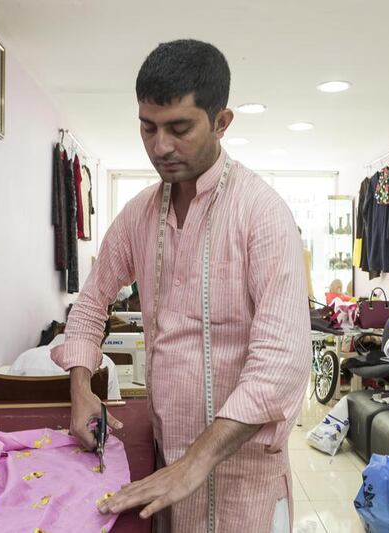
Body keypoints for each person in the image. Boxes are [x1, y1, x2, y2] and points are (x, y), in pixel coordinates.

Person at [52, 39, 310, 532]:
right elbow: (89, 306)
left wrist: (196, 463)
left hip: (243, 480)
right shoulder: (138, 216)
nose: (160, 147)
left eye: (179, 128)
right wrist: (81, 388)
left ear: (221, 121)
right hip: (167, 466)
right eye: (148, 128)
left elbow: (279, 366)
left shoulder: (263, 215)